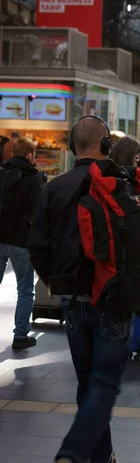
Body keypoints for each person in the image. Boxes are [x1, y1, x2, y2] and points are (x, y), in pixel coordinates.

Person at [29, 116, 130, 463]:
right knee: (103, 381)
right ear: (106, 146)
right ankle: (73, 452)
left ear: (73, 148)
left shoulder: (53, 188)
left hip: (73, 299)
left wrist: (58, 280)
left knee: (88, 381)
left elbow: (38, 246)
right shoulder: (119, 185)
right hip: (113, 297)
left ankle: (102, 455)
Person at [0, 137, 43, 348]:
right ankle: (20, 335)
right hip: (21, 240)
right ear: (29, 155)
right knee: (25, 290)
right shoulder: (34, 178)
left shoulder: (1, 172)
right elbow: (38, 211)